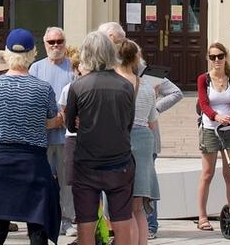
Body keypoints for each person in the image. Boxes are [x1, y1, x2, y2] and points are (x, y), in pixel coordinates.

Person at [0, 30, 61, 245]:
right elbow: (50, 120)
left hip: (2, 159)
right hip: (34, 161)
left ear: (7, 53)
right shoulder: (43, 88)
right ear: (33, 53)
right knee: (37, 224)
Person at [62, 31, 136, 245]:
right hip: (120, 161)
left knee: (86, 226)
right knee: (122, 223)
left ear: (86, 54)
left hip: (87, 163)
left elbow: (70, 126)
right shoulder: (126, 86)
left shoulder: (78, 86)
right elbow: (128, 124)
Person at [117, 39, 178, 242]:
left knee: (121, 205)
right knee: (139, 205)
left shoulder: (114, 84)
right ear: (137, 58)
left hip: (121, 141)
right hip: (144, 140)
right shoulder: (147, 87)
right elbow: (152, 122)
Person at [27, 28, 75, 238]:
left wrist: (63, 119)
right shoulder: (35, 68)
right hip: (42, 136)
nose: (56, 45)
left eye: (59, 41)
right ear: (44, 44)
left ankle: (67, 220)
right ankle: (41, 218)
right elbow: (29, 101)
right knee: (42, 180)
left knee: (67, 181)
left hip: (67, 136)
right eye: (51, 42)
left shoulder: (73, 67)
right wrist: (48, 122)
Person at [193, 42, 230, 233]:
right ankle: (202, 216)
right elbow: (204, 104)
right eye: (212, 57)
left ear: (225, 57)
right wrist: (216, 116)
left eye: (220, 56)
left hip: (229, 129)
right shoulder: (203, 79)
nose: (216, 61)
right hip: (211, 128)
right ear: (208, 59)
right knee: (207, 173)